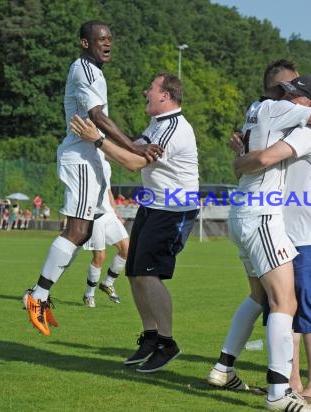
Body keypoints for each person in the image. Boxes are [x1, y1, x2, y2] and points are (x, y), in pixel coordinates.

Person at [207, 63, 311, 412]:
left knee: (261, 298)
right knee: (285, 304)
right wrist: (244, 161)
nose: (290, 100)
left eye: (294, 95)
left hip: (250, 214)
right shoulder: (284, 113)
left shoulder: (256, 112)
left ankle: (224, 367)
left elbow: (262, 153)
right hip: (263, 216)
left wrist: (240, 159)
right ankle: (279, 394)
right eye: (287, 92)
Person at [22, 20, 160, 336]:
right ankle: (37, 296)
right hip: (81, 158)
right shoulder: (84, 69)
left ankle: (38, 294)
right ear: (85, 43)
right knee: (77, 230)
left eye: (110, 38)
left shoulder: (95, 72)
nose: (108, 43)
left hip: (93, 160)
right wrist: (133, 144)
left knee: (83, 234)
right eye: (101, 39)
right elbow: (97, 117)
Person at [71, 71, 199, 373]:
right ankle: (151, 337)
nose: (145, 92)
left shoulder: (174, 128)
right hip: (152, 207)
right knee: (134, 273)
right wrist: (100, 133)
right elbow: (132, 148)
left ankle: (168, 343)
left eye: (151, 89)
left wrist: (98, 139)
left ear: (165, 95)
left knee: (149, 275)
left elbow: (132, 162)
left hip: (173, 210)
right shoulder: (158, 124)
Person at [82, 152, 129, 308]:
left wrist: (116, 213)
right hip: (93, 216)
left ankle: (108, 283)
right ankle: (89, 294)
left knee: (127, 249)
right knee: (100, 257)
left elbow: (108, 191)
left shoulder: (106, 166)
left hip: (109, 215)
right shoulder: (84, 163)